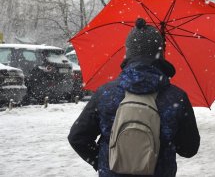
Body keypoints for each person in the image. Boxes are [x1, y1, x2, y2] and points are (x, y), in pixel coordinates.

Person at [68, 18, 200, 177]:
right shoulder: (176, 97)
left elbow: (77, 137)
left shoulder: (105, 93)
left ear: (128, 52)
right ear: (160, 53)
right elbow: (189, 148)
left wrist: (102, 162)